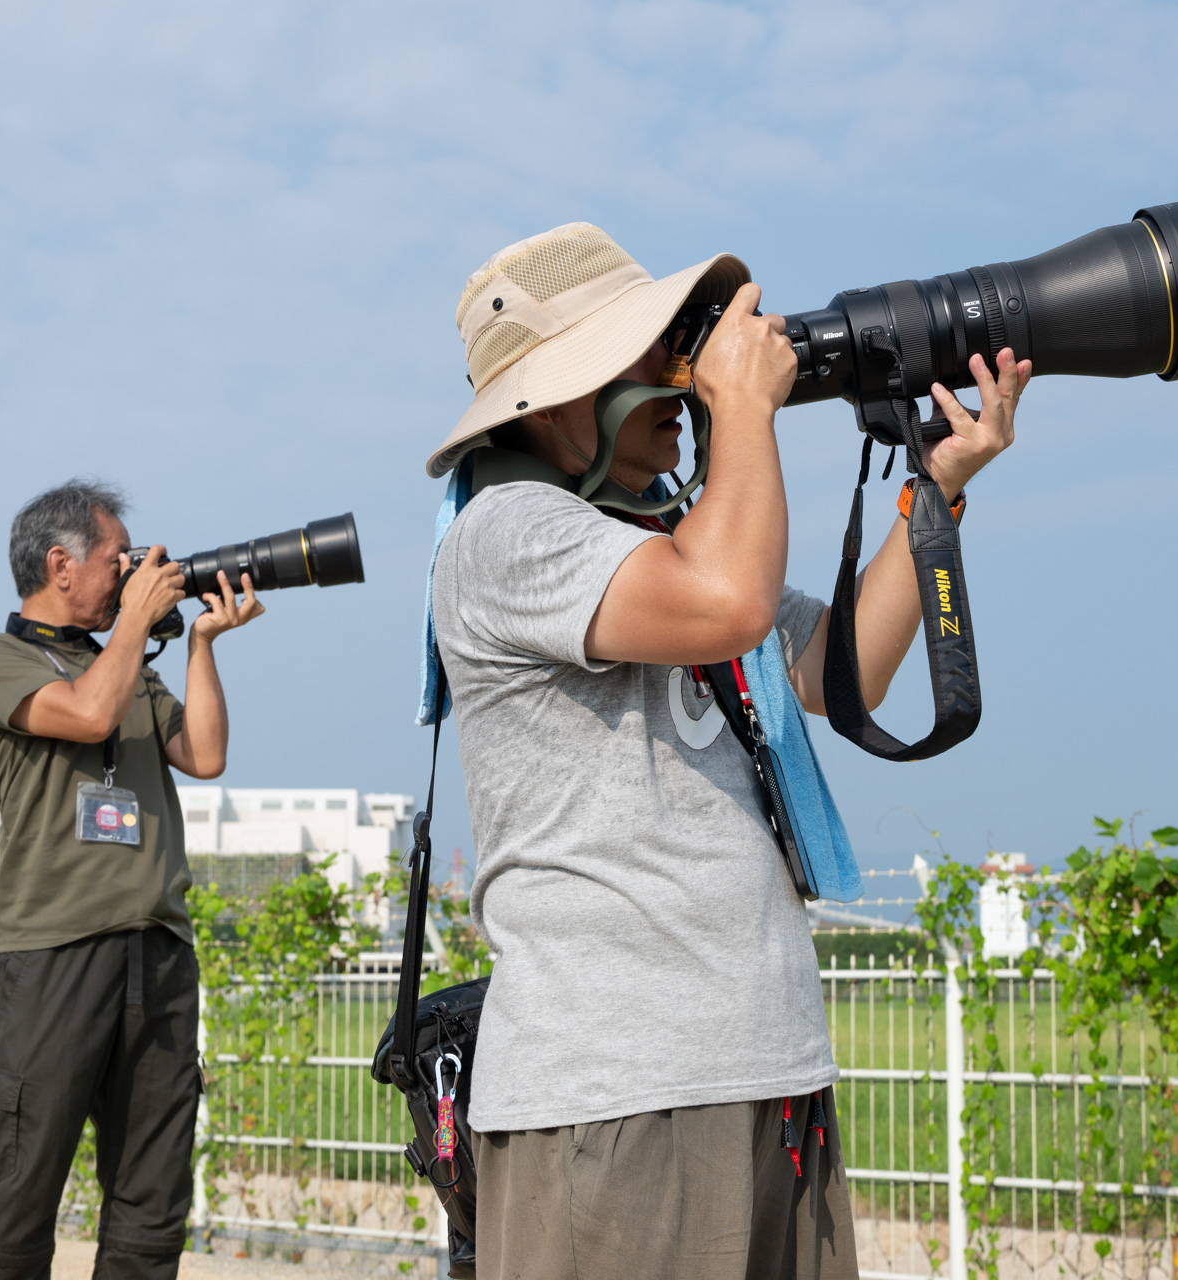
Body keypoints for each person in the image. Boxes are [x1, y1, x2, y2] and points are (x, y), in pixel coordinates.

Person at [422, 224, 1029, 1279]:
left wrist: (939, 483)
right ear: (556, 391)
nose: (681, 373)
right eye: (652, 352)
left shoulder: (665, 532)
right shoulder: (506, 532)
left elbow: (846, 670)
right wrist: (743, 409)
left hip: (765, 1068)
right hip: (613, 1098)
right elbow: (728, 602)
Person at [0, 480, 263, 1280]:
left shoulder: (125, 669)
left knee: (152, 1206)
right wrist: (131, 626)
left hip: (157, 952)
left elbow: (207, 756)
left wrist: (199, 646)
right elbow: (85, 716)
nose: (132, 571)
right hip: (50, 954)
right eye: (119, 558)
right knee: (18, 1190)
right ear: (60, 564)